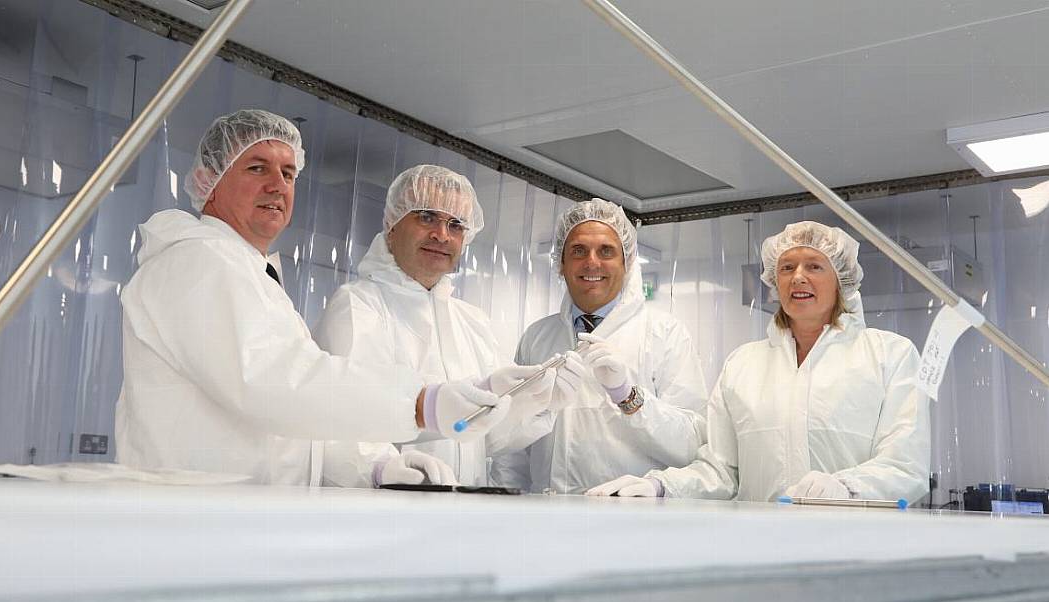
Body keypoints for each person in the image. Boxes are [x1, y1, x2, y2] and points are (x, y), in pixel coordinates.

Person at [115, 109, 511, 487]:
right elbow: (272, 380)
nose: (277, 185)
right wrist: (419, 401)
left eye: (288, 173)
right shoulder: (199, 261)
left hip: (235, 519)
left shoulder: (246, 272)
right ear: (209, 180)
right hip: (201, 525)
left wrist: (376, 465)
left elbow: (302, 411)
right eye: (257, 168)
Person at [588, 221, 931, 503]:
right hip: (762, 550)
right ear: (774, 281)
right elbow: (721, 471)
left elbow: (906, 466)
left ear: (841, 281)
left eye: (814, 266)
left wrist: (848, 488)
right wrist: (662, 487)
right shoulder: (743, 364)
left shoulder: (890, 356)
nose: (798, 277)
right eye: (786, 267)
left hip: (855, 551)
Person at [314, 165, 586, 485]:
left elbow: (486, 438)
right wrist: (378, 469)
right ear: (392, 225)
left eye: (456, 224)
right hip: (384, 511)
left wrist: (538, 402)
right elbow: (334, 419)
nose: (442, 235)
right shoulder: (358, 306)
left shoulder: (471, 321)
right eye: (427, 216)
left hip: (459, 516)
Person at [489, 199, 708, 494]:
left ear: (626, 263)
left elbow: (692, 442)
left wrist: (630, 398)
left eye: (606, 251)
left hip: (631, 517)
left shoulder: (664, 333)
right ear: (561, 264)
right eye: (578, 251)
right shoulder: (537, 337)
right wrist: (505, 502)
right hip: (547, 518)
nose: (592, 262)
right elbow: (511, 445)